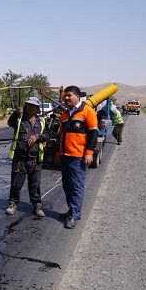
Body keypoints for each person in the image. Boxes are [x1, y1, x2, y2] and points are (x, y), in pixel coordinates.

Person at [5, 96, 52, 217]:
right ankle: (12, 204)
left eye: (34, 106)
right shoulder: (19, 119)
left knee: (35, 184)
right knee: (16, 182)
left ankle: (36, 206)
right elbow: (10, 123)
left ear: (37, 108)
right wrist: (15, 113)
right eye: (29, 105)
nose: (31, 107)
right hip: (20, 158)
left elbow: (48, 135)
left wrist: (37, 137)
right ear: (26, 106)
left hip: (35, 158)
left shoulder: (41, 121)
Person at [59, 85, 98, 229]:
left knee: (76, 186)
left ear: (77, 96)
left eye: (69, 95)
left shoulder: (87, 111)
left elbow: (93, 133)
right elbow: (62, 135)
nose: (66, 98)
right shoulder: (64, 113)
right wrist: (59, 153)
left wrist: (89, 153)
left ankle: (74, 214)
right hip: (65, 155)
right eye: (65, 96)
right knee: (67, 186)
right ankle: (73, 210)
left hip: (78, 157)